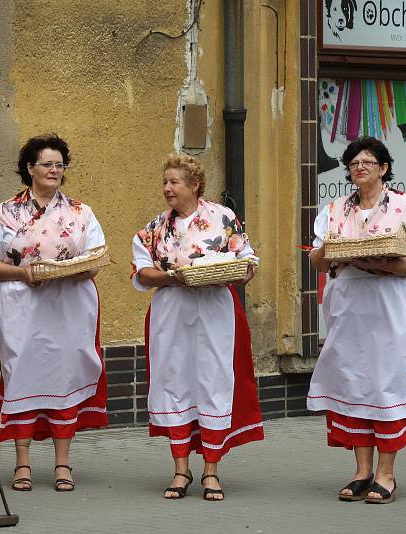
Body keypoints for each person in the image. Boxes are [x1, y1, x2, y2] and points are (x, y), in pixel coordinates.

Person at [0, 133, 107, 492]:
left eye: (59, 164)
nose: (54, 170)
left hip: (68, 306)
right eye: (46, 164)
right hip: (19, 305)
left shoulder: (81, 212)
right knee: (22, 374)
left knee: (63, 376)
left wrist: (68, 270)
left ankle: (63, 463)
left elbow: (95, 259)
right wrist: (22, 272)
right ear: (29, 168)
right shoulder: (5, 213)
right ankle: (22, 463)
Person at [131, 154, 263, 501]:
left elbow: (247, 261)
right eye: (165, 182)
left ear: (195, 184)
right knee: (174, 381)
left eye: (174, 182)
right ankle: (179, 470)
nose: (167, 188)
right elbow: (141, 271)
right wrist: (174, 276)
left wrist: (242, 271)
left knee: (213, 380)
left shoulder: (222, 217)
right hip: (172, 311)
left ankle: (211, 471)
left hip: (215, 310)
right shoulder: (156, 226)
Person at [307, 136, 406, 504]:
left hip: (387, 300)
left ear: (384, 168)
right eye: (354, 163)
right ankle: (361, 471)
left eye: (368, 162)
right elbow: (317, 261)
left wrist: (379, 261)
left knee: (386, 382)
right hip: (348, 301)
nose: (359, 168)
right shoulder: (335, 208)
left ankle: (386, 474)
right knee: (353, 379)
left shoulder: (404, 207)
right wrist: (330, 246)